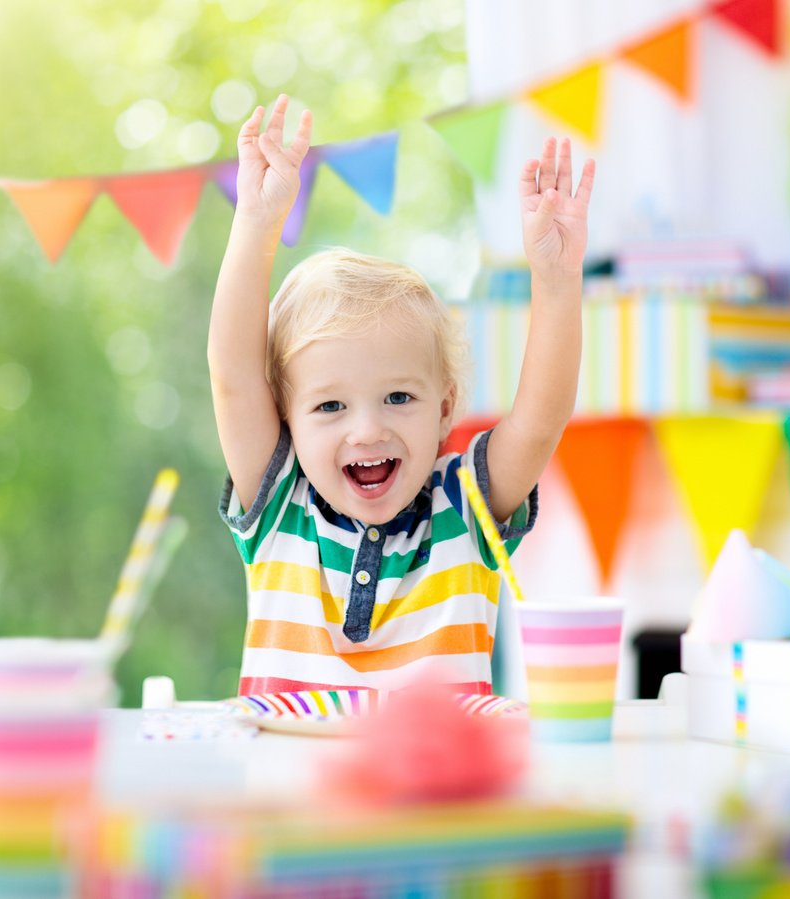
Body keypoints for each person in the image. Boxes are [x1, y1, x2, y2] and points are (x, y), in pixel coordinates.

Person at [208, 94, 595, 695]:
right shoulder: (279, 505)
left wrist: (556, 279)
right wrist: (258, 222)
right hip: (288, 787)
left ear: (444, 409)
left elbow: (542, 419)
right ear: (286, 417)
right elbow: (233, 375)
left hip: (441, 789)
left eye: (397, 398)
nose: (367, 430)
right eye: (330, 406)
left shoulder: (466, 509)